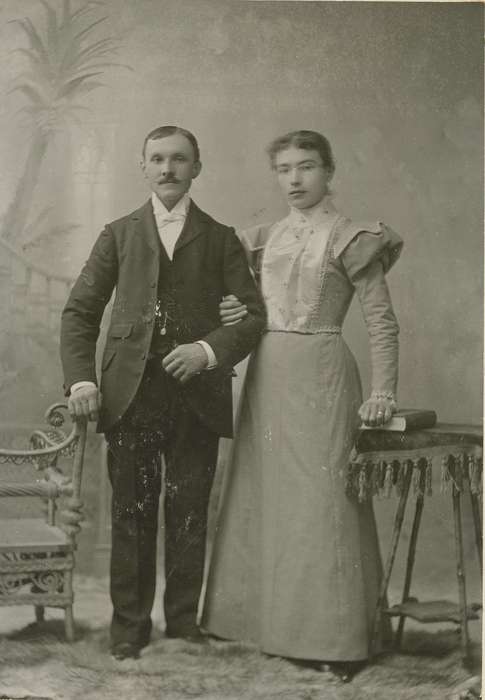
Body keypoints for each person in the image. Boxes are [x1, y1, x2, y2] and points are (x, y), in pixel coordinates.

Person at [202, 130, 403, 681]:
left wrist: (384, 390)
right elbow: (240, 306)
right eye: (285, 168)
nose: (295, 179)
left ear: (328, 172)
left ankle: (331, 638)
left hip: (323, 373)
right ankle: (260, 627)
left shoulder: (352, 237)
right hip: (268, 374)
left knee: (323, 501)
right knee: (264, 496)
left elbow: (381, 322)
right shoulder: (261, 239)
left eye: (307, 167)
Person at [60, 125, 265, 660]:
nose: (168, 168)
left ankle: (182, 626)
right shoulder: (119, 233)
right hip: (131, 396)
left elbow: (253, 316)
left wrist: (207, 351)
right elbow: (81, 312)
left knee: (189, 510)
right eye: (158, 159)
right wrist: (83, 379)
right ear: (143, 166)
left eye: (180, 159)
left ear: (197, 167)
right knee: (130, 512)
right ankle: (129, 630)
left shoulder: (220, 237)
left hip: (197, 394)